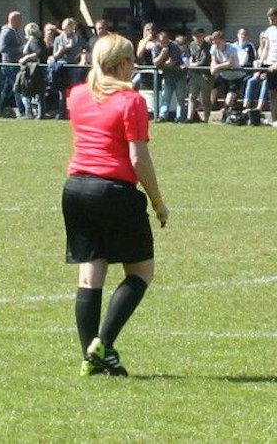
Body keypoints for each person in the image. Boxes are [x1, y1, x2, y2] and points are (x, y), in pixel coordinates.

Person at [63, 34, 169, 378]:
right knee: (141, 271)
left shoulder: (77, 95)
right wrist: (157, 201)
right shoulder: (131, 100)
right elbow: (138, 157)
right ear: (122, 64)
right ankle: (103, 343)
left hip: (76, 188)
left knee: (90, 273)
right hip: (114, 190)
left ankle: (89, 357)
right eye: (132, 62)